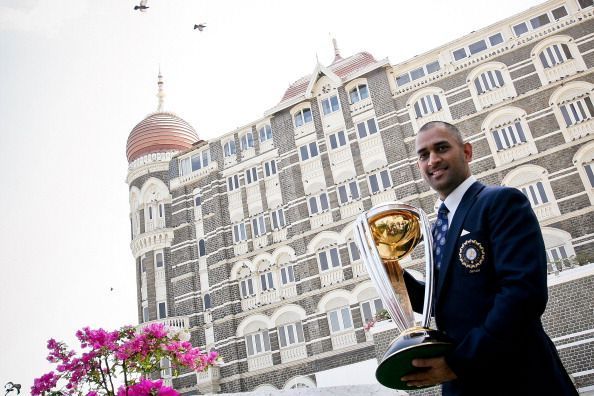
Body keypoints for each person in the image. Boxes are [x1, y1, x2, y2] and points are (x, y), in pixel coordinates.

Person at [401, 121, 578, 395]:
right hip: (466, 385)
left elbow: (523, 295)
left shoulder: (501, 201)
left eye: (442, 148)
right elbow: (441, 301)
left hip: (519, 379)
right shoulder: (438, 228)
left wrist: (457, 363)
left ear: (467, 152)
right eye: (423, 155)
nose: (433, 160)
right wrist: (390, 272)